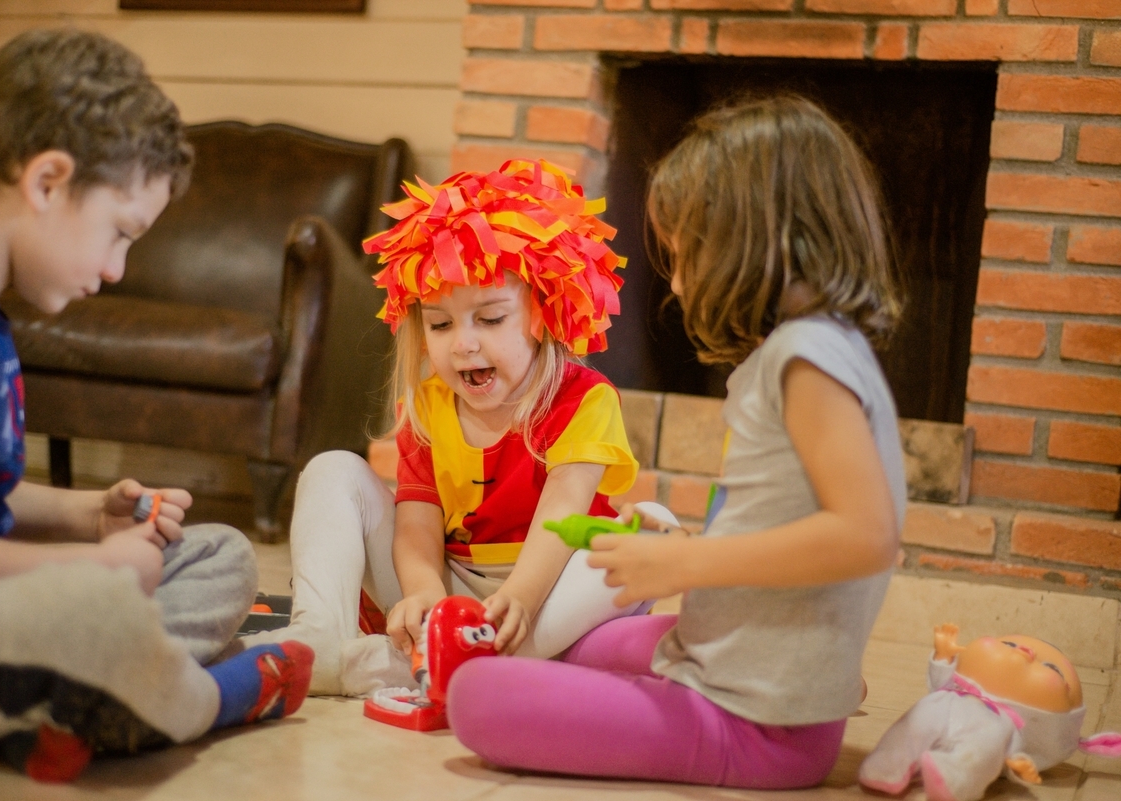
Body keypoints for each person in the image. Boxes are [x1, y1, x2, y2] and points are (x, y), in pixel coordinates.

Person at [444, 96, 908, 790]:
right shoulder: (812, 350)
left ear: (753, 239)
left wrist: (686, 565)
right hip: (738, 664)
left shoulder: (807, 359)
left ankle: (768, 708)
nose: (678, 274)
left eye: (687, 247)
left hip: (752, 722)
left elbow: (867, 535)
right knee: (584, 645)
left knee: (476, 698)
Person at [0, 29, 311, 783]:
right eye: (119, 233)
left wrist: (85, 514)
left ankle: (82, 701)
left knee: (220, 554)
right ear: (46, 182)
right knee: (94, 605)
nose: (115, 268)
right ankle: (216, 693)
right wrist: (95, 566)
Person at [243, 159, 669, 697]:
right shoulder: (427, 406)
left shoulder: (583, 400)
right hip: (454, 585)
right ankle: (320, 638)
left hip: (550, 584)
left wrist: (521, 597)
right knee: (332, 469)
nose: (462, 343)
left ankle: (443, 659)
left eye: (490, 319)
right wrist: (421, 594)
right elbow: (417, 526)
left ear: (542, 317)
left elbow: (564, 510)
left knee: (655, 523)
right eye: (440, 324)